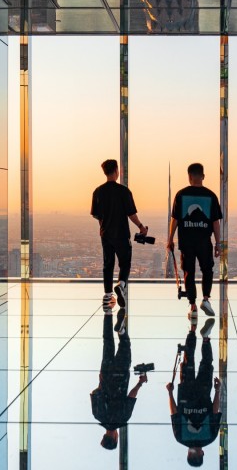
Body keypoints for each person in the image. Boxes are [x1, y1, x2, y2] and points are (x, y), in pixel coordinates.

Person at [167, 163, 222, 319]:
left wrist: (170, 239)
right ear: (203, 176)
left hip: (187, 241)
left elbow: (175, 220)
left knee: (188, 272)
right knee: (207, 270)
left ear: (189, 176)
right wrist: (218, 244)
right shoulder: (211, 196)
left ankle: (193, 306)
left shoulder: (181, 195)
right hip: (204, 241)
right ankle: (206, 299)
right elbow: (215, 223)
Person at [91, 159, 147, 309]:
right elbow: (131, 214)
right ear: (116, 170)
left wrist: (103, 228)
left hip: (106, 234)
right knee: (125, 262)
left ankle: (108, 296)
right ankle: (121, 284)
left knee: (107, 264)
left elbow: (97, 215)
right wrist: (141, 227)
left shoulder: (98, 192)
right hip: (121, 234)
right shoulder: (123, 191)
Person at [166, 319, 222, 466]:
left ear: (202, 454)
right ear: (189, 455)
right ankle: (192, 329)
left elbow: (215, 412)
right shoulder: (181, 438)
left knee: (206, 363)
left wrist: (217, 391)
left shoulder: (210, 438)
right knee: (188, 359)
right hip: (186, 392)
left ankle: (205, 338)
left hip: (203, 393)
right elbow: (174, 413)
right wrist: (170, 393)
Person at [90, 309, 148, 450]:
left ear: (115, 438)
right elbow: (94, 392)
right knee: (107, 341)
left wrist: (140, 383)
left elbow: (131, 396)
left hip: (121, 376)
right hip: (106, 373)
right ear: (104, 436)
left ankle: (121, 330)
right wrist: (102, 385)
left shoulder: (123, 419)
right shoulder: (98, 415)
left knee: (125, 344)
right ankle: (108, 312)